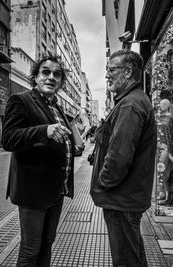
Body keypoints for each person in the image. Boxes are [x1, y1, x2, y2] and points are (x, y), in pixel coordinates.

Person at [1, 54, 83, 266]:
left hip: (56, 190)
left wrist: (73, 146)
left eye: (56, 74)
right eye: (45, 72)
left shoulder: (57, 107)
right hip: (33, 191)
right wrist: (44, 130)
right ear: (35, 77)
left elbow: (58, 140)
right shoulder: (21, 100)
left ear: (61, 82)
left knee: (47, 244)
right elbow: (9, 139)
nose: (51, 77)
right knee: (31, 249)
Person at [90, 49, 157, 267]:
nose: (107, 75)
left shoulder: (130, 104)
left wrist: (104, 183)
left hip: (122, 199)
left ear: (127, 72)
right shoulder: (132, 100)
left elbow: (119, 158)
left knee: (126, 261)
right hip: (127, 198)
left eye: (111, 70)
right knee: (132, 257)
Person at [157, 98, 173, 204]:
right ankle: (162, 193)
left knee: (163, 171)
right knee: (159, 171)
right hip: (157, 148)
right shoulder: (157, 117)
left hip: (166, 148)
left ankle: (166, 195)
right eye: (160, 103)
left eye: (162, 104)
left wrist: (170, 151)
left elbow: (170, 135)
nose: (160, 105)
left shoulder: (170, 118)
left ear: (167, 106)